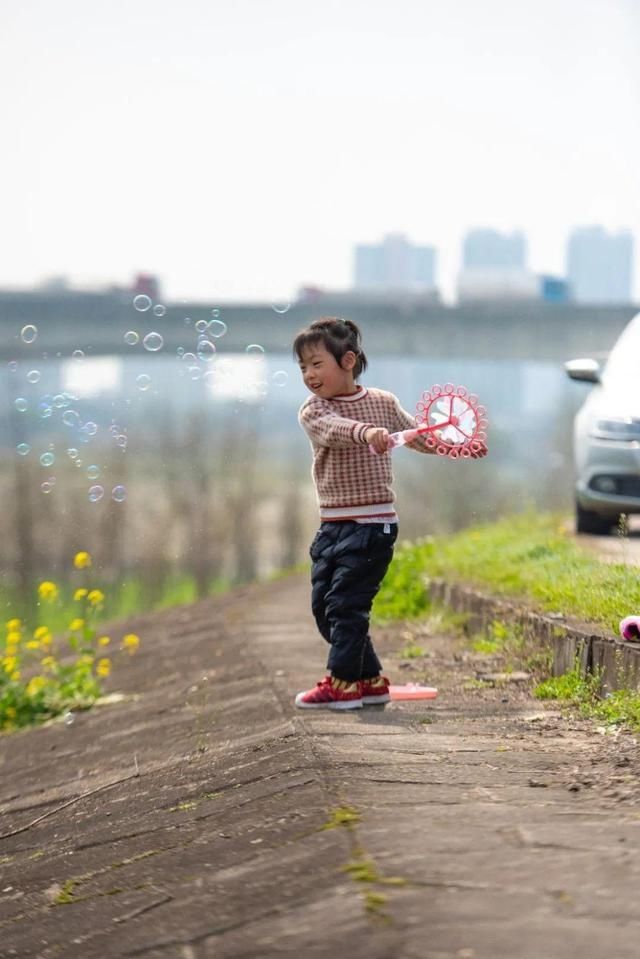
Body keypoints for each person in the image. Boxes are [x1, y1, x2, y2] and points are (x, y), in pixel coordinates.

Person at [292, 316, 488, 710]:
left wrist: (456, 445)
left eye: (316, 364)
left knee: (347, 605)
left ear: (347, 361)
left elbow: (417, 435)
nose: (309, 375)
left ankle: (343, 684)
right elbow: (336, 429)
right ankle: (370, 680)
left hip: (373, 526)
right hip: (332, 526)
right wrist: (367, 434)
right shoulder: (314, 410)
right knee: (324, 609)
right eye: (303, 368)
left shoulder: (383, 402)